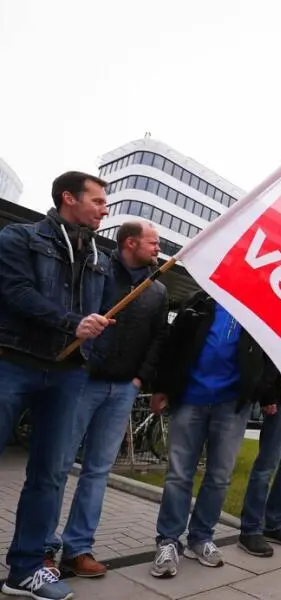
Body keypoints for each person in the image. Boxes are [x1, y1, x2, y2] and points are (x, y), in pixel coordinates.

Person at [0, 171, 116, 600]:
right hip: (12, 362)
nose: (106, 209)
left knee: (49, 475)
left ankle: (26, 569)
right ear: (69, 198)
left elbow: (96, 314)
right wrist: (72, 323)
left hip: (68, 374)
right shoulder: (20, 237)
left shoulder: (99, 258)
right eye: (98, 201)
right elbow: (15, 292)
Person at [50, 221, 169, 578]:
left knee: (97, 472)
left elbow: (159, 338)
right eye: (153, 242)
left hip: (122, 390)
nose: (158, 249)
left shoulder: (157, 290)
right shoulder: (94, 269)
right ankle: (41, 547)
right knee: (55, 465)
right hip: (81, 382)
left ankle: (78, 549)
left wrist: (138, 380)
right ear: (130, 242)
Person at [148, 292, 274, 578]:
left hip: (231, 406)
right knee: (179, 473)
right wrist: (162, 387)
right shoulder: (197, 303)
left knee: (219, 476)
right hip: (190, 400)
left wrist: (257, 390)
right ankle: (168, 540)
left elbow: (272, 356)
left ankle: (201, 537)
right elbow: (172, 347)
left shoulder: (257, 309)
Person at [239, 364, 281, 554]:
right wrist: (268, 395)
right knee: (266, 466)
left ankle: (274, 523)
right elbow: (273, 354)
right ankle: (250, 528)